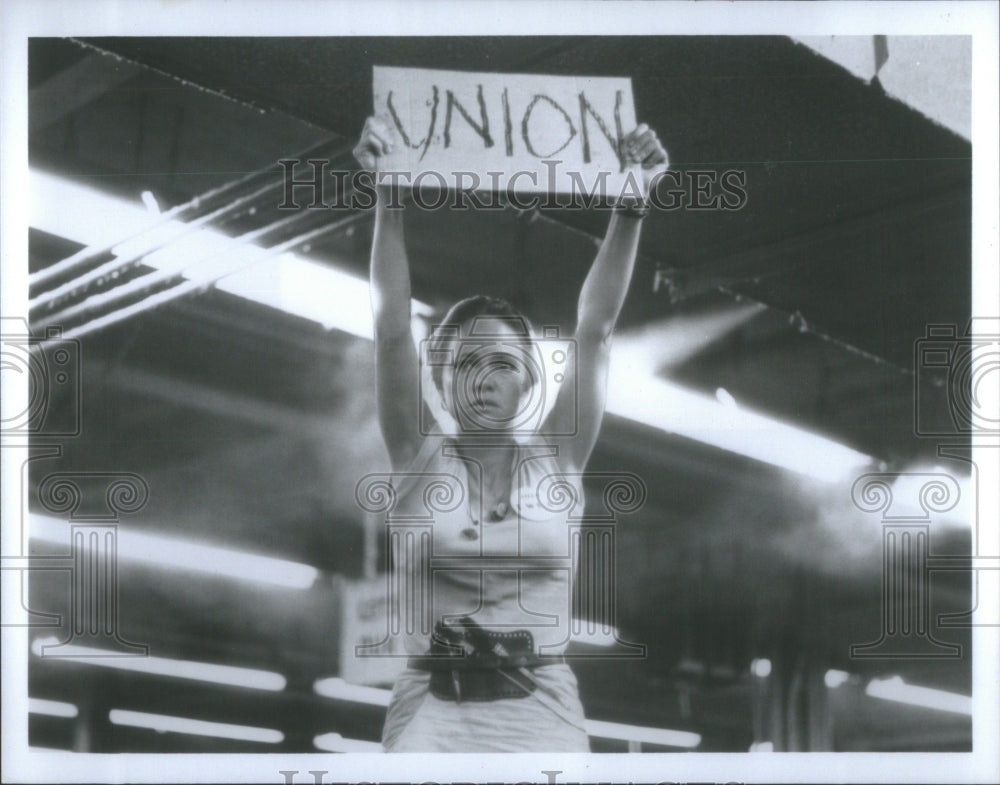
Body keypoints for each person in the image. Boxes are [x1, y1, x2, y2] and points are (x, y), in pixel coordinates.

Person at [353, 115, 668, 752]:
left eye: (500, 362)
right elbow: (391, 329)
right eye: (463, 362)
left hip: (540, 715)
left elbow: (596, 330)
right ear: (439, 385)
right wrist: (388, 198)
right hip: (430, 717)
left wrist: (633, 202)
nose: (483, 377)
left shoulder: (561, 457)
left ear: (529, 381)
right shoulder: (416, 457)